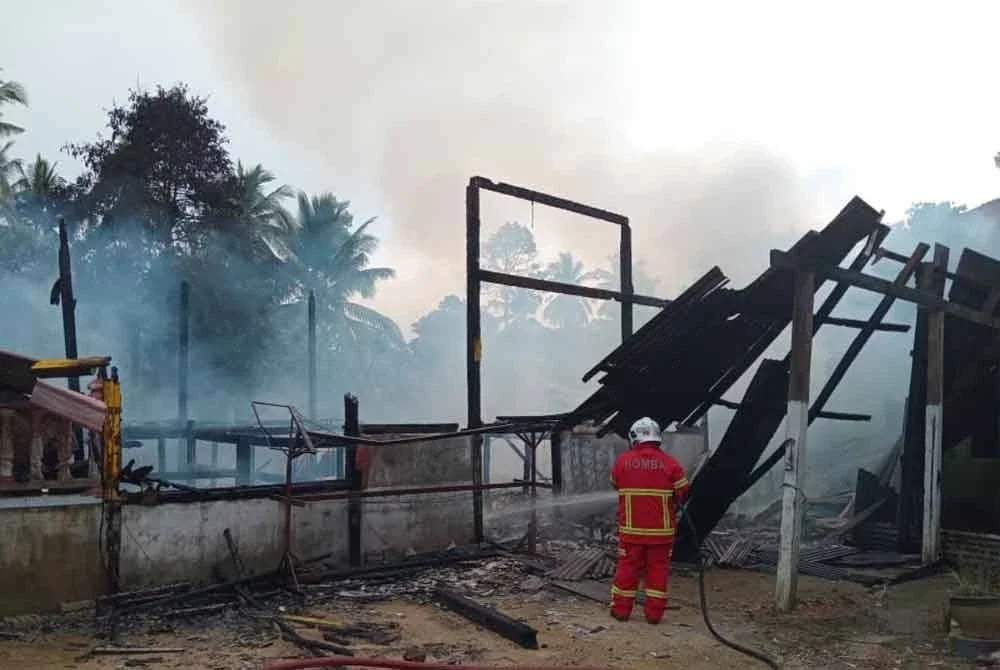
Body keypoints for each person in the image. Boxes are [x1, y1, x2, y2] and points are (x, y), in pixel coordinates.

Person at [609, 416, 689, 624]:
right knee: (658, 570)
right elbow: (683, 492)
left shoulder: (622, 461)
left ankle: (621, 611)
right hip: (661, 533)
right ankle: (654, 615)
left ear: (634, 437)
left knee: (627, 568)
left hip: (631, 530)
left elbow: (616, 484)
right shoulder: (671, 464)